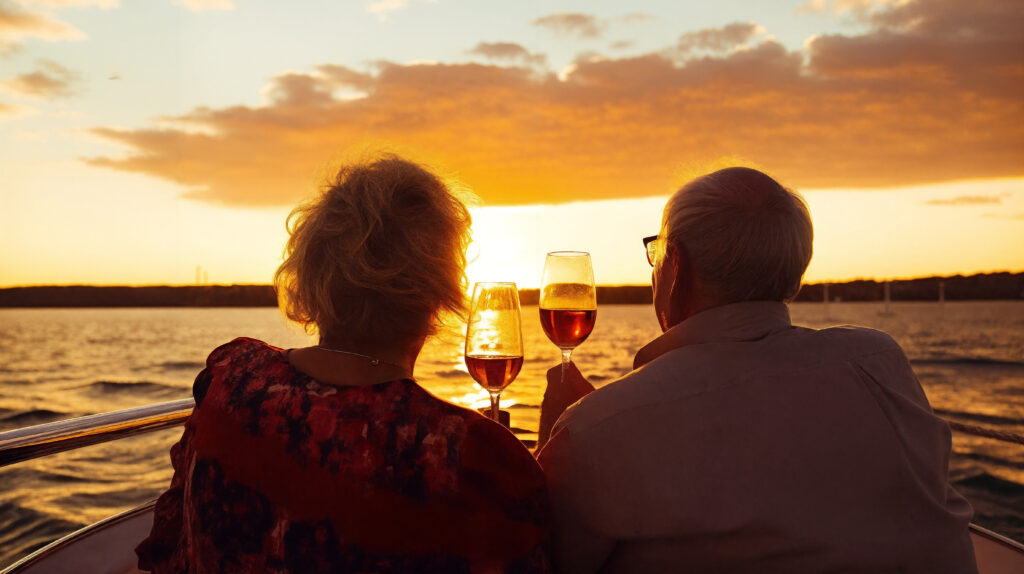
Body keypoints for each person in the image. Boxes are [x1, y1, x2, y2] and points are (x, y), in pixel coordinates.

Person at [535, 167, 976, 573]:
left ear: (675, 267)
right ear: (794, 277)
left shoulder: (598, 429)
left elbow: (544, 561)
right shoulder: (879, 361)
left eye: (659, 252)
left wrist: (555, 441)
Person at [137, 156, 550, 573]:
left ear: (313, 274)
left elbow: (165, 544)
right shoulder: (472, 457)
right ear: (438, 291)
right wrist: (558, 451)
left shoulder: (231, 376)